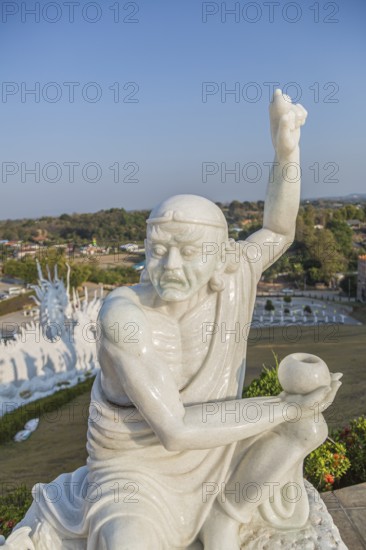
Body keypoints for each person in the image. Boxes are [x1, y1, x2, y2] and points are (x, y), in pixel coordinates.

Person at [6, 90, 341, 550]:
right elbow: (175, 429)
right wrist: (285, 404)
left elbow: (279, 229)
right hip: (136, 470)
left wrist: (287, 152)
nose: (170, 268)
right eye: (158, 252)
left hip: (216, 452)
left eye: (188, 253)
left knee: (308, 428)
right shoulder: (124, 316)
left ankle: (225, 516)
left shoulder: (235, 272)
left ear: (222, 257)